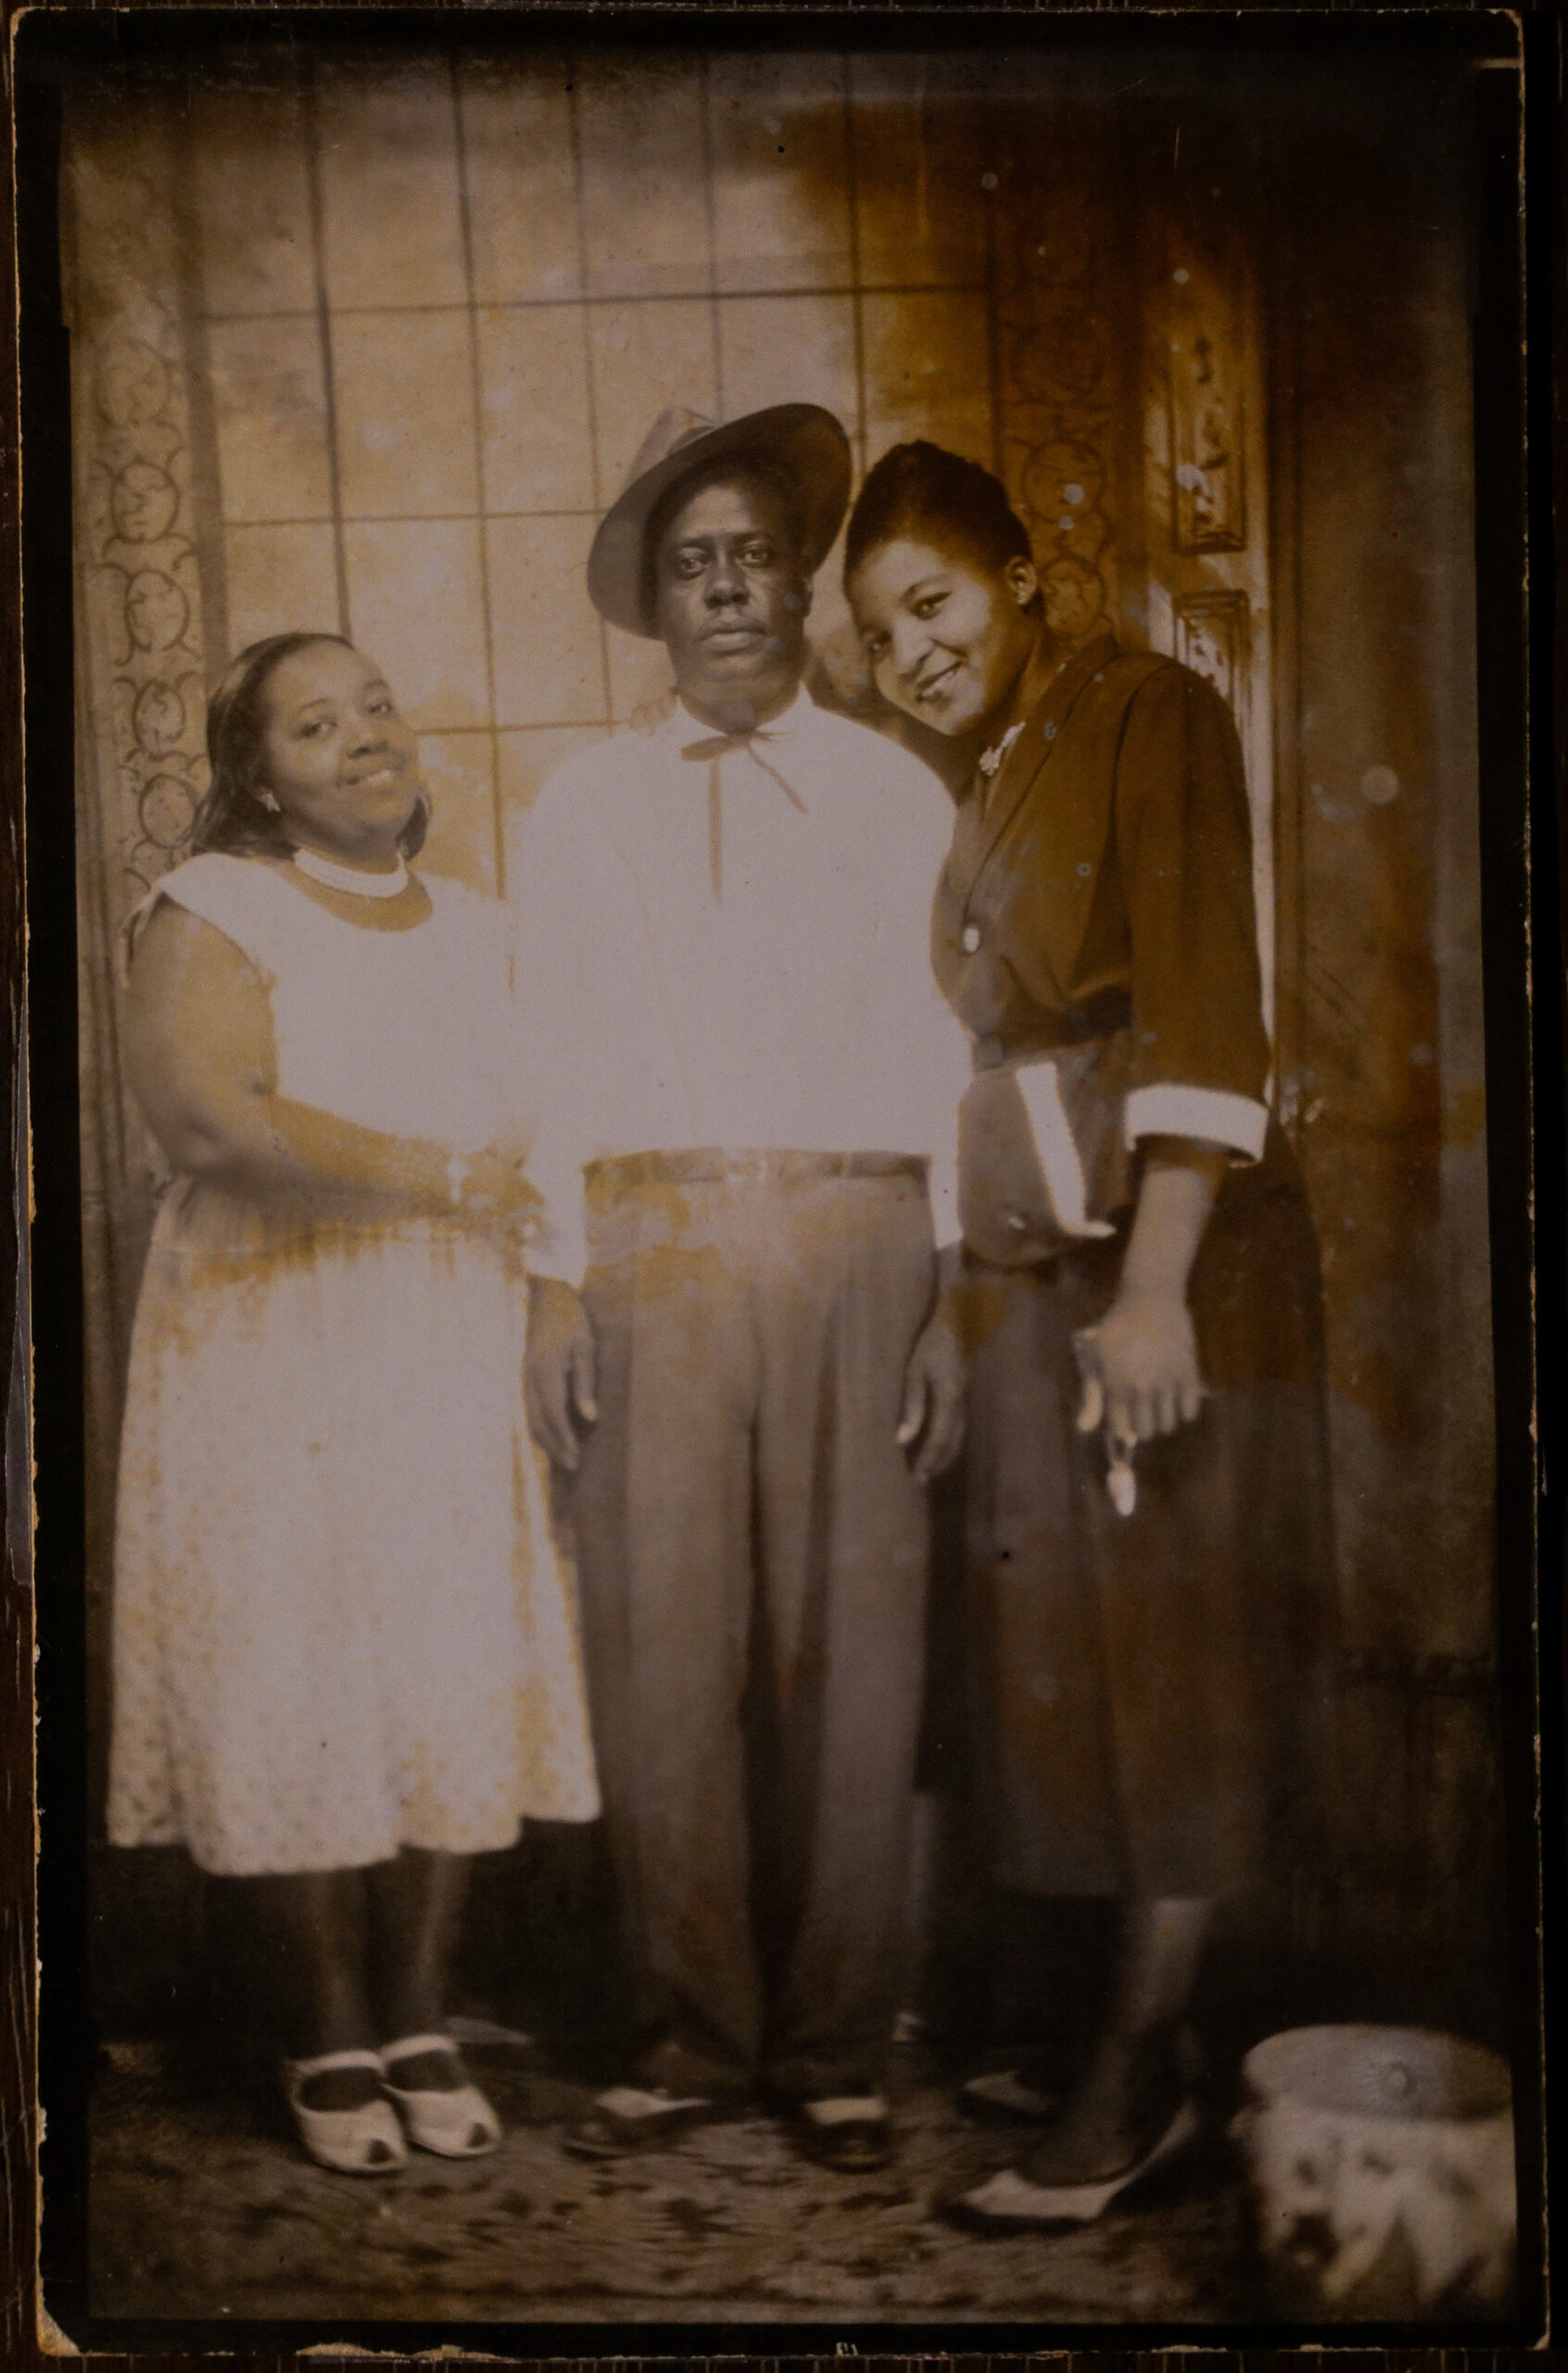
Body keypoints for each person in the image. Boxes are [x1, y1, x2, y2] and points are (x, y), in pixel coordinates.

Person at [843, 442, 1333, 2228]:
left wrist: (1155, 1291)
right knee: (1083, 1668)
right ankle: (1122, 2036)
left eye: (937, 603)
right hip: (1046, 1265)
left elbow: (1206, 1001)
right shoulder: (976, 772)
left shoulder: (1153, 713)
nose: (913, 650)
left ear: (1023, 575)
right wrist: (968, 1305)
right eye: (884, 631)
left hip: (1165, 1267)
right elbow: (986, 1074)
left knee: (1175, 1676)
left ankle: (1140, 2089)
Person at [511, 405, 975, 2173]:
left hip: (861, 1235)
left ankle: (841, 2043)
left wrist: (950, 1297)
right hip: (661, 1244)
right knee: (666, 1645)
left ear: (799, 584)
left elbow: (953, 1058)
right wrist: (558, 1289)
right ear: (657, 597)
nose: (726, 590)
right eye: (693, 564)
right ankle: (692, 2033)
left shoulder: (894, 786)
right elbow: (545, 1053)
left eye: (754, 558)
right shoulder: (581, 804)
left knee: (852, 1655)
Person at [107, 633, 599, 2176]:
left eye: (376, 704)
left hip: (448, 1332)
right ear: (260, 781)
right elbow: (210, 1118)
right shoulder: (213, 908)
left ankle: (417, 2015)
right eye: (316, 725)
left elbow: (557, 1129)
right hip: (276, 1331)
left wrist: (555, 1291)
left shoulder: (484, 924)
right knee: (294, 1671)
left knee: (445, 1664)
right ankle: (322, 2028)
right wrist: (442, 1176)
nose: (365, 736)